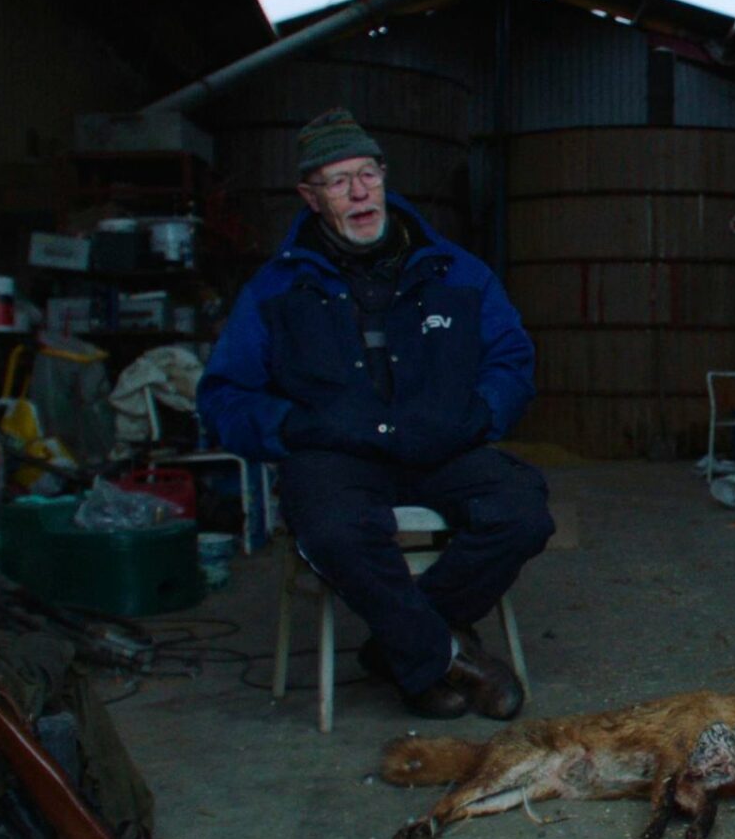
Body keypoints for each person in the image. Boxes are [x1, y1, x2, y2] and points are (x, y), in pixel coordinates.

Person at [199, 107, 553, 721]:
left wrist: (479, 416)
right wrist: (295, 427)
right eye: (339, 182)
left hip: (442, 446)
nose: (360, 192)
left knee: (521, 511)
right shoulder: (274, 290)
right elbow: (225, 397)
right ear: (311, 196)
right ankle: (444, 655)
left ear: (384, 176)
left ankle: (404, 648)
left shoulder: (458, 273)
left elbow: (512, 360)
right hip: (335, 458)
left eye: (367, 174)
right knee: (334, 530)